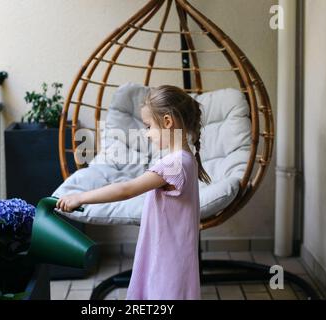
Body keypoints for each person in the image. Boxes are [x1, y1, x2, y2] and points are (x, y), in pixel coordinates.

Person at [56, 85, 211, 300]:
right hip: (173, 254)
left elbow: (126, 189)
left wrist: (80, 197)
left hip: (168, 259)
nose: (147, 134)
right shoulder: (186, 158)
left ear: (167, 122)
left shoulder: (174, 164)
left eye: (149, 126)